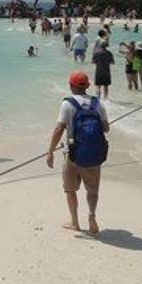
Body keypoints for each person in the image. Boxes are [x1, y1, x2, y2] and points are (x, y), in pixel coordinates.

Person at [46, 72, 110, 234]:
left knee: (70, 189)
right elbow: (106, 128)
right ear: (87, 86)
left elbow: (59, 129)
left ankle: (75, 222)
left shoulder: (68, 104)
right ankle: (92, 216)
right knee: (92, 190)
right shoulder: (98, 103)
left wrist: (50, 151)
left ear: (71, 86)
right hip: (94, 154)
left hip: (72, 153)